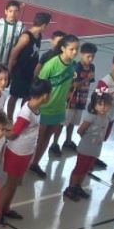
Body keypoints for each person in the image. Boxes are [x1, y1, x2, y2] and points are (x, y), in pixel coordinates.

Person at [0, 79, 51, 223]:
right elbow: (14, 134)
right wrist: (1, 132)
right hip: (17, 152)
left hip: (25, 151)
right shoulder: (26, 113)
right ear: (45, 95)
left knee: (15, 183)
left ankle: (6, 208)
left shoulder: (36, 109)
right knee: (10, 184)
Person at [28, 35, 78, 176]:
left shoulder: (73, 65)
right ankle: (26, 163)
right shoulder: (51, 65)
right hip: (45, 108)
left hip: (59, 108)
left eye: (76, 49)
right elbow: (39, 86)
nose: (74, 52)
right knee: (37, 138)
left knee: (47, 138)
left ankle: (35, 163)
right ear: (63, 48)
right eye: (71, 49)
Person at [63, 92, 113, 202]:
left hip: (95, 149)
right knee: (79, 168)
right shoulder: (92, 117)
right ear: (95, 105)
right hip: (85, 148)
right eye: (100, 104)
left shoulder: (107, 118)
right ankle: (70, 188)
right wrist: (87, 140)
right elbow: (80, 130)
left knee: (86, 169)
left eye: (106, 105)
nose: (103, 108)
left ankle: (78, 186)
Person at [6, 12, 49, 120]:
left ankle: (21, 117)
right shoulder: (26, 37)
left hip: (30, 73)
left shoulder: (38, 36)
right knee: (14, 96)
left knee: (27, 97)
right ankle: (9, 118)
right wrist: (9, 71)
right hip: (20, 72)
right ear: (44, 25)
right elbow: (13, 54)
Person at [61, 42, 97, 152]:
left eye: (93, 57)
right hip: (71, 100)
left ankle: (68, 140)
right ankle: (54, 143)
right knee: (63, 123)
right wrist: (86, 79)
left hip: (82, 100)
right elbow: (73, 84)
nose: (90, 59)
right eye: (88, 56)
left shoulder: (91, 67)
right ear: (81, 54)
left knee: (73, 122)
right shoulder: (76, 67)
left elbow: (91, 81)